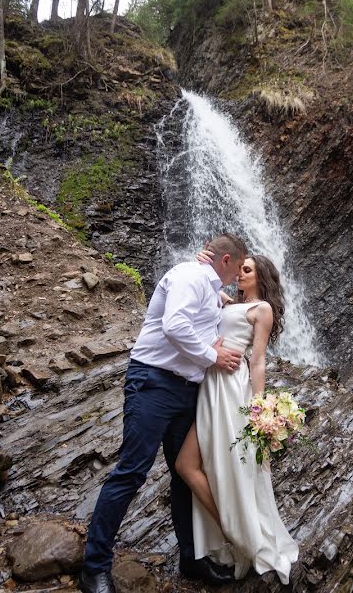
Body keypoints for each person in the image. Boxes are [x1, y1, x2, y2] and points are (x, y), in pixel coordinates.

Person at [79, 234, 248, 593]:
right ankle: (94, 567)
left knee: (184, 475)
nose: (237, 278)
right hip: (154, 383)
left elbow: (202, 316)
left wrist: (219, 301)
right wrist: (212, 356)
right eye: (238, 268)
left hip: (186, 389)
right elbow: (174, 326)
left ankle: (191, 557)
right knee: (131, 472)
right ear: (227, 259)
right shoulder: (190, 275)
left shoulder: (207, 284)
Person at [174, 252, 299, 585]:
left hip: (232, 390)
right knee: (188, 466)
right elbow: (204, 284)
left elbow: (257, 362)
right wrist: (200, 259)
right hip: (209, 385)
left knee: (229, 468)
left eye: (247, 270)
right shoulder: (227, 301)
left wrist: (259, 410)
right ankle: (234, 532)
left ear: (261, 277)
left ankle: (240, 537)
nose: (240, 274)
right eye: (239, 269)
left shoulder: (262, 309)